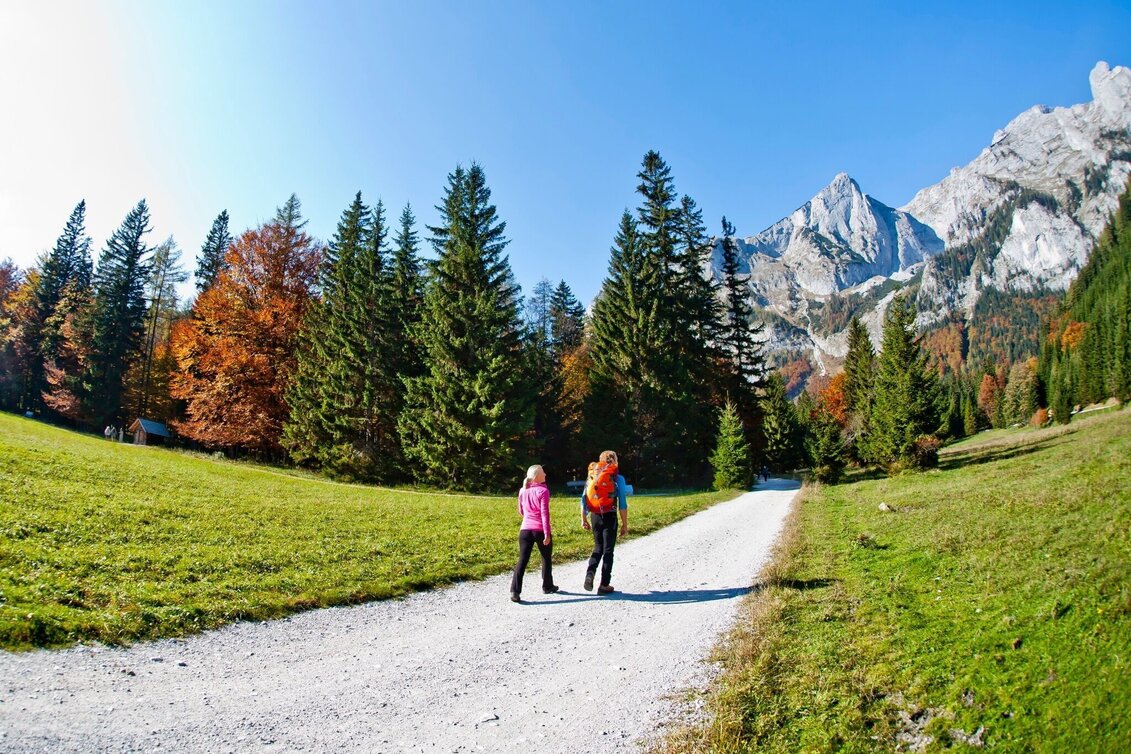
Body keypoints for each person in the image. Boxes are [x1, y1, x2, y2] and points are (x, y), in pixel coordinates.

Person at [580, 450, 629, 594]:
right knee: (608, 551)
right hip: (610, 515)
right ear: (615, 461)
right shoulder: (618, 478)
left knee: (598, 548)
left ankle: (590, 575)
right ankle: (604, 585)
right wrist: (625, 525)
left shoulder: (592, 476)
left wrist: (583, 519)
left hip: (595, 516)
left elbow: (584, 499)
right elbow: (623, 504)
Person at [510, 464, 558, 603]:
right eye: (543, 472)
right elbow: (544, 514)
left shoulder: (523, 490)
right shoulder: (543, 491)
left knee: (523, 560)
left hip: (525, 530)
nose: (545, 474)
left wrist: (529, 517)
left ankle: (515, 591)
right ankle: (547, 586)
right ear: (537, 476)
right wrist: (547, 534)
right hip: (539, 530)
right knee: (546, 557)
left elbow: (521, 511)